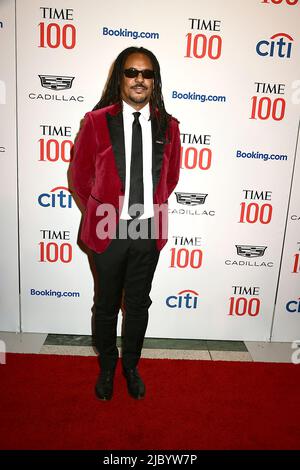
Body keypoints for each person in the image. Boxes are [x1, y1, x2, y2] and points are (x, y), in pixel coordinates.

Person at [71, 46, 180, 400]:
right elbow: (80, 176)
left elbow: (172, 178)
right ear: (120, 77)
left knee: (137, 304)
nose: (139, 80)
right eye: (132, 72)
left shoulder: (170, 125)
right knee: (105, 304)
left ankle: (130, 366)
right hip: (107, 226)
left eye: (147, 74)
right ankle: (107, 367)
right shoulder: (96, 121)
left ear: (154, 81)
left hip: (148, 226)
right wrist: (101, 212)